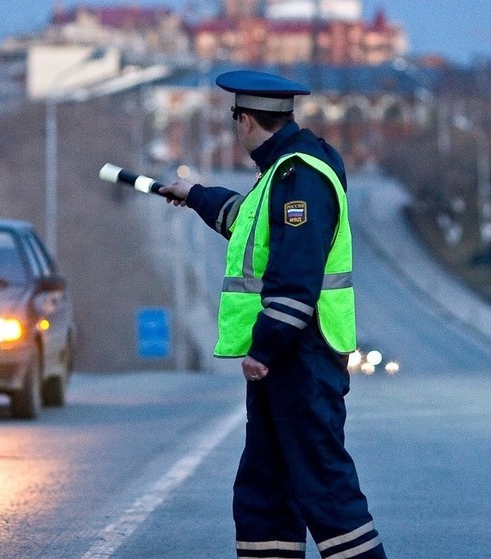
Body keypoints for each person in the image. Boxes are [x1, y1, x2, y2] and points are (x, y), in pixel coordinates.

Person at [159, 70, 388, 559]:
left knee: (325, 489)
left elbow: (296, 273)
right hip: (291, 358)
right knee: (265, 490)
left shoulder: (299, 175)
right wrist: (195, 193)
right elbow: (249, 225)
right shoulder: (284, 172)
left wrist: (264, 349)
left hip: (300, 356)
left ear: (244, 121)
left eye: (235, 118)